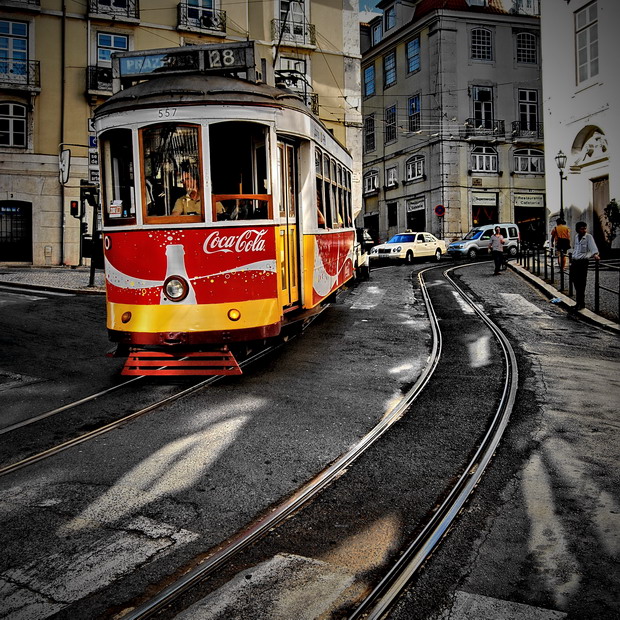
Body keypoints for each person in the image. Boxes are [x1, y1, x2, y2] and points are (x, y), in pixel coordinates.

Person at [569, 221, 599, 311]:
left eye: (585, 228)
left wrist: (595, 255)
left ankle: (581, 303)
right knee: (574, 281)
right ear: (577, 229)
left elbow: (593, 248)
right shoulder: (576, 236)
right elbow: (576, 249)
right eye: (582, 228)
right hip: (575, 262)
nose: (584, 230)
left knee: (581, 283)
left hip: (582, 262)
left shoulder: (588, 237)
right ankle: (578, 302)